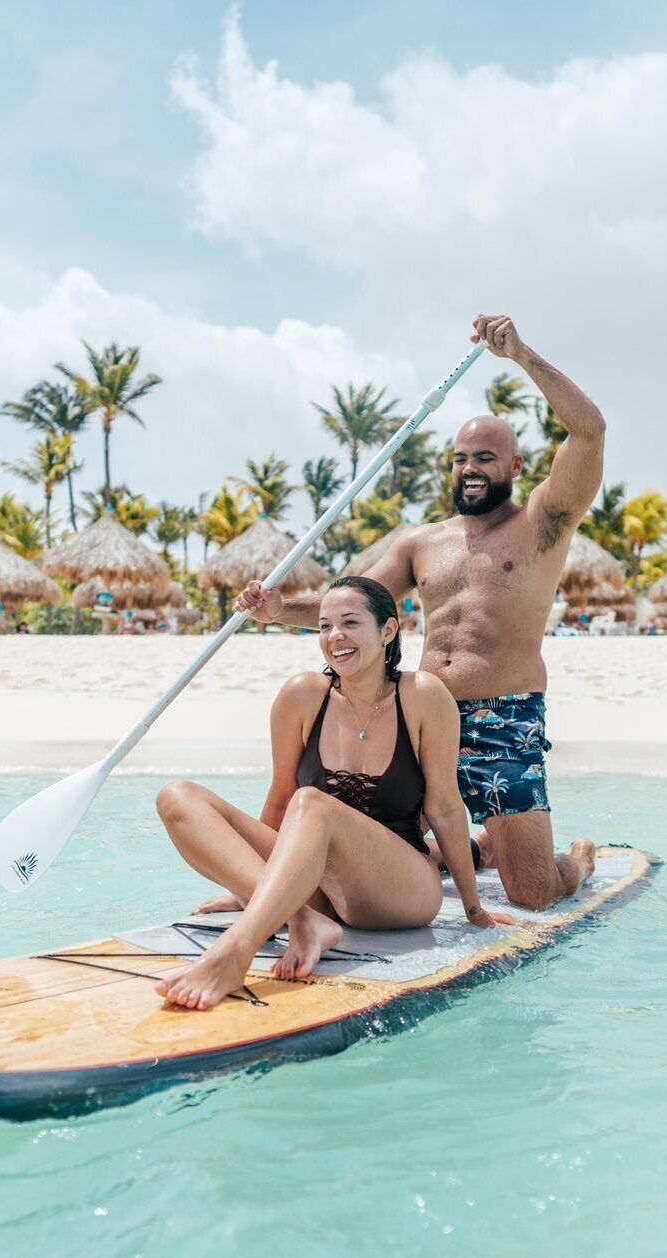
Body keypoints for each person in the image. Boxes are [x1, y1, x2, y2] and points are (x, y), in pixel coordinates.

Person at [237, 313, 601, 910]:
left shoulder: (543, 524)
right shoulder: (422, 542)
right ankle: (473, 848)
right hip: (416, 713)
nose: (469, 468)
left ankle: (577, 863)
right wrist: (278, 608)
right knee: (367, 857)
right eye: (459, 459)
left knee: (534, 894)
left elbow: (589, 432)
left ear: (515, 467)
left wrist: (523, 356)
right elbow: (349, 607)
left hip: (503, 718)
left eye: (485, 457)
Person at [153, 576, 512, 1010]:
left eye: (349, 622)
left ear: (387, 630)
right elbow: (279, 799)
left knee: (312, 804)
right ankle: (301, 918)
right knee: (178, 797)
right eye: (324, 626)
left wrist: (474, 910)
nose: (334, 636)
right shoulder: (302, 695)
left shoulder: (422, 696)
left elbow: (446, 808)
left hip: (399, 889)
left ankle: (234, 951)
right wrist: (254, 887)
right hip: (319, 888)